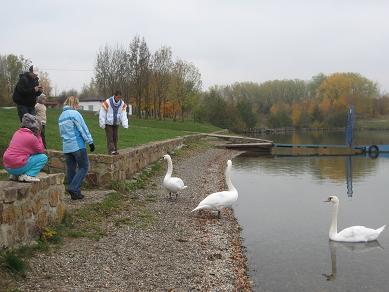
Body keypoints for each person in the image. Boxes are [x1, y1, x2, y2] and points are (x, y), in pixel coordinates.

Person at [59, 96, 95, 200]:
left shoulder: (61, 116)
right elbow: (83, 128)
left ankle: (75, 193)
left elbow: (62, 132)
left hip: (66, 146)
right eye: (77, 104)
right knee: (84, 167)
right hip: (77, 145)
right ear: (74, 104)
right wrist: (90, 142)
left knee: (71, 169)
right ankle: (73, 187)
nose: (78, 106)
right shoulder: (75, 114)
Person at [3, 113, 48, 182]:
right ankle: (28, 175)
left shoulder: (17, 132)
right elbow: (41, 150)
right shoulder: (32, 137)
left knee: (24, 155)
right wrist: (39, 136)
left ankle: (15, 175)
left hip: (7, 166)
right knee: (43, 157)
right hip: (16, 167)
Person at [99, 90, 128, 155]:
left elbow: (123, 114)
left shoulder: (122, 104)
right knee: (110, 137)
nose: (119, 99)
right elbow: (102, 113)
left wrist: (125, 123)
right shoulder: (107, 102)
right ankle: (111, 150)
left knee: (115, 137)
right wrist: (102, 123)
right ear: (114, 96)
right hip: (108, 123)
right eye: (118, 97)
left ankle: (115, 150)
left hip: (116, 123)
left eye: (120, 97)